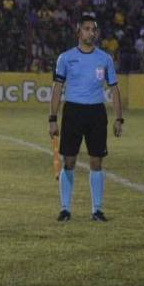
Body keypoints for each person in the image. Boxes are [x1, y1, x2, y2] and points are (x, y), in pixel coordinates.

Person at [49, 12, 124, 222]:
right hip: (73, 112)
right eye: (87, 29)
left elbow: (114, 88)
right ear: (78, 32)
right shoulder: (65, 58)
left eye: (94, 30)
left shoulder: (105, 58)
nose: (91, 33)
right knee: (69, 161)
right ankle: (65, 209)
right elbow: (57, 89)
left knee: (96, 161)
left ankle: (97, 210)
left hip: (96, 113)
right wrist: (52, 119)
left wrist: (119, 118)